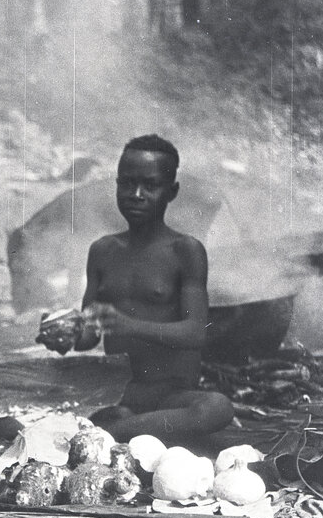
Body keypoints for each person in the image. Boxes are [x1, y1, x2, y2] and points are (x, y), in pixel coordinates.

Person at [38, 135, 233, 444]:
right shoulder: (102, 250)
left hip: (172, 395)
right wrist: (65, 333)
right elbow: (90, 335)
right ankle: (123, 429)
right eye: (126, 184)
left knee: (217, 407)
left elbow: (196, 332)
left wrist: (131, 326)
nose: (136, 194)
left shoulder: (185, 250)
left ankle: (107, 435)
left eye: (150, 186)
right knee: (73, 404)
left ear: (172, 192)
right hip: (120, 395)